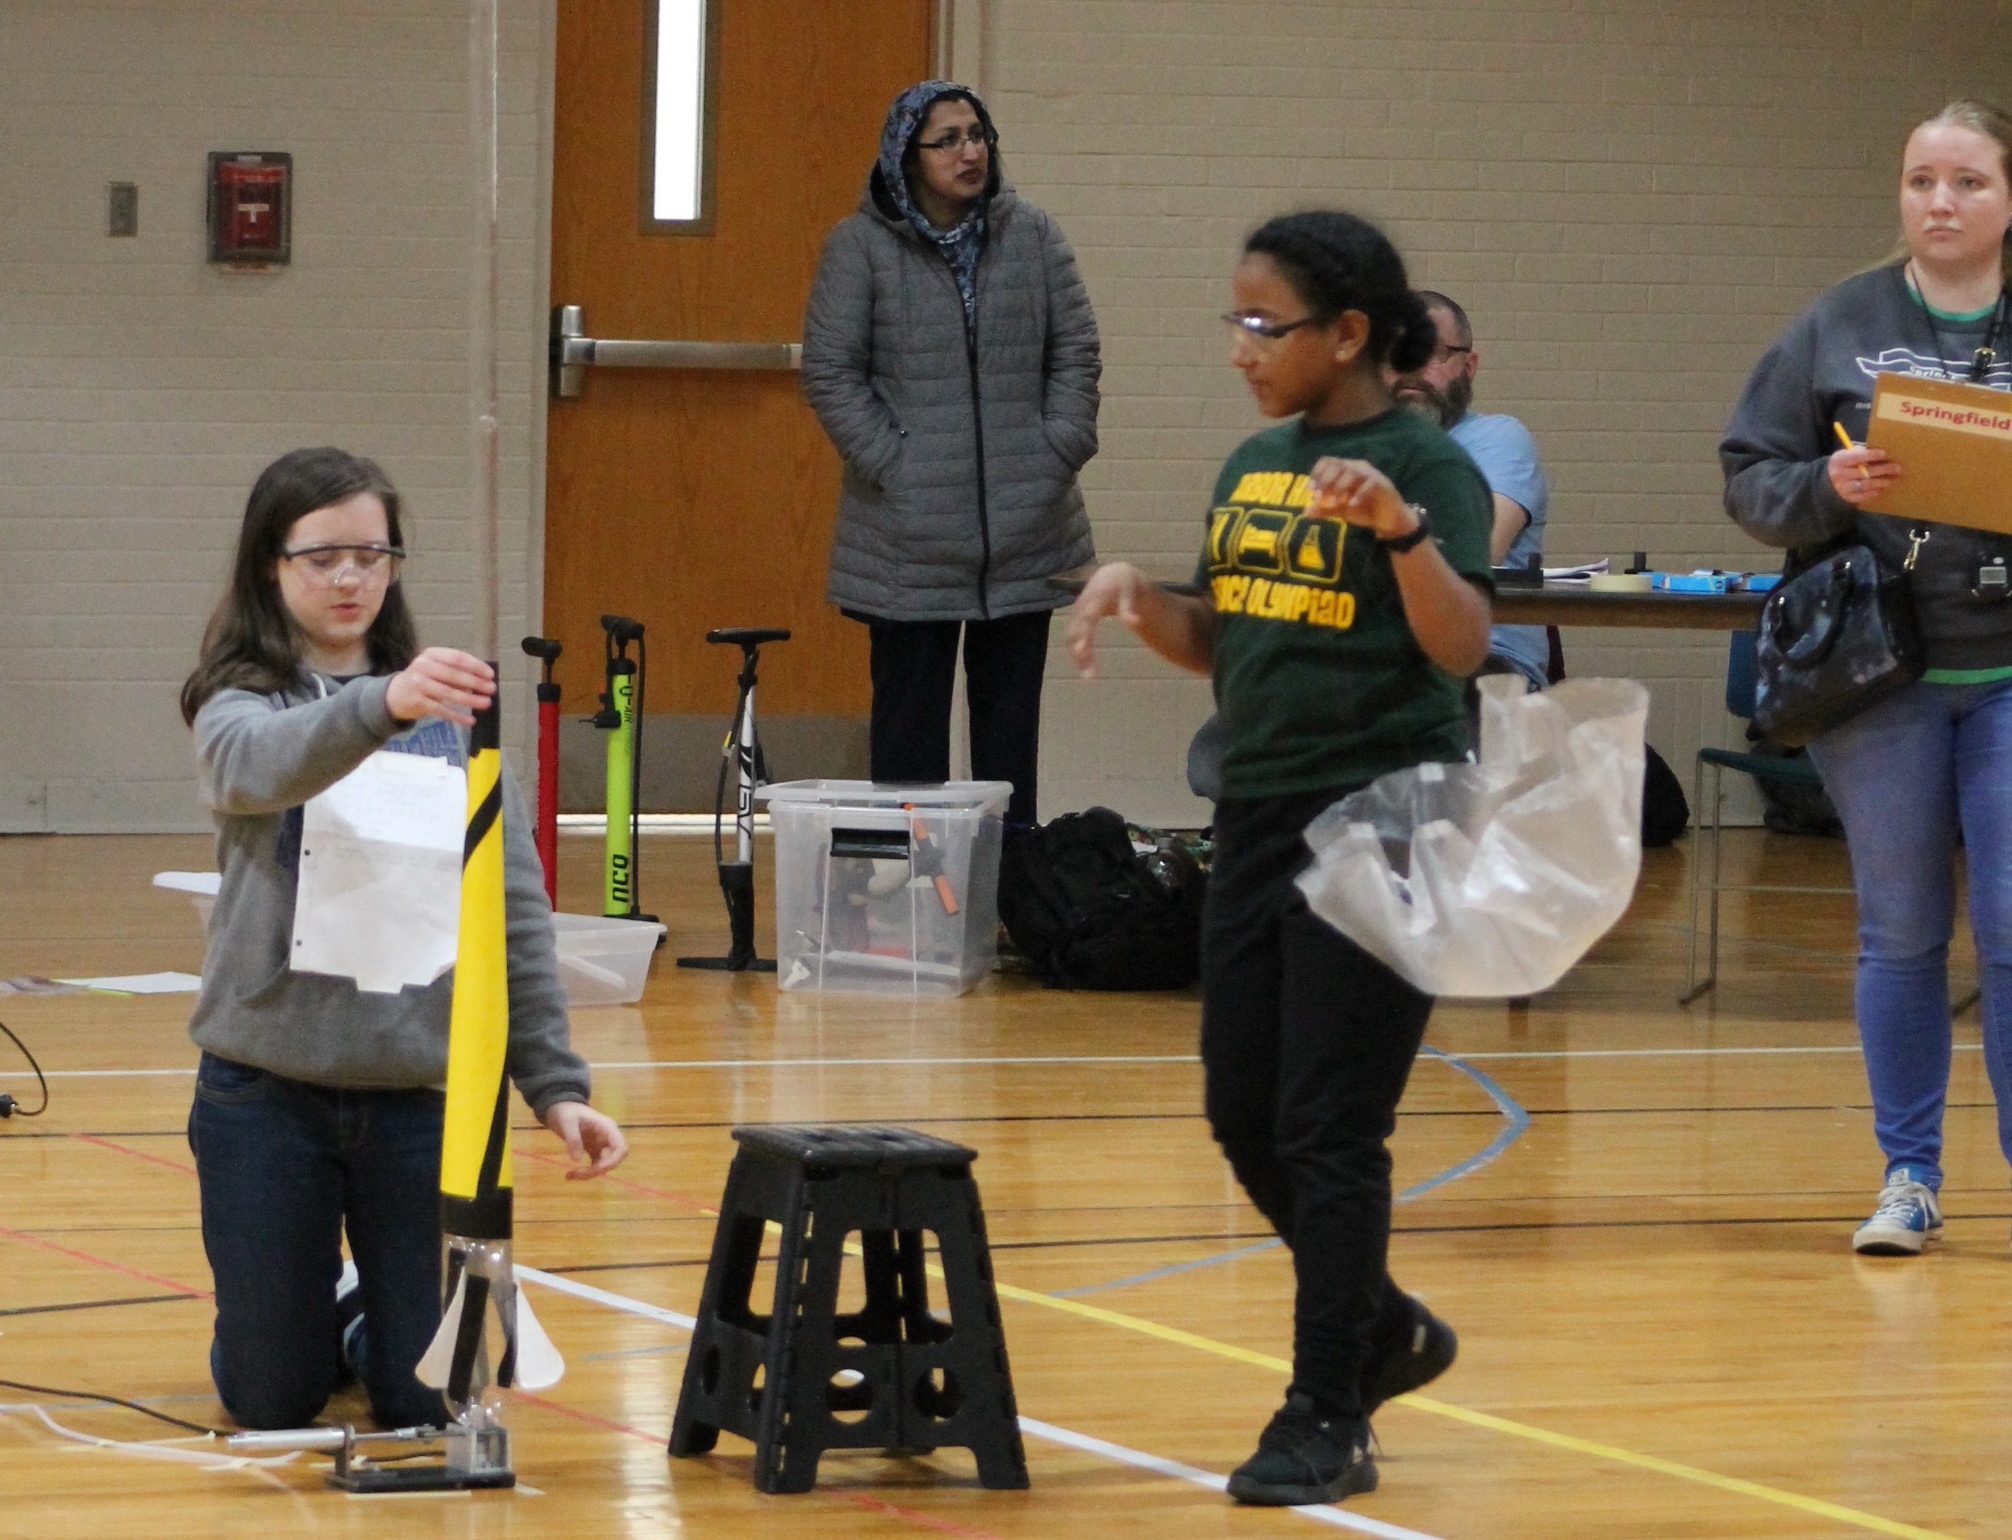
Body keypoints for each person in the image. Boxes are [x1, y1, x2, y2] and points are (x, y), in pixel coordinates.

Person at [1067, 211, 1489, 1505]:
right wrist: (1142, 598)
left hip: (1387, 814)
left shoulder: (1427, 465)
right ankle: (1381, 1326)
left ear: (1347, 333)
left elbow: (1461, 647)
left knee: (1328, 1124)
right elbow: (1220, 640)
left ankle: (1326, 1409)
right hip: (1256, 812)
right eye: (1236, 321)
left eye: (1266, 324)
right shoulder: (1254, 464)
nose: (1241, 348)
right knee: (1242, 1110)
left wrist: (1402, 534)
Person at [179, 446, 629, 1430]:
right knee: (271, 1400)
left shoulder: (454, 721)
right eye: (321, 557)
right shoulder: (240, 701)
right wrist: (382, 704)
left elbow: (512, 913)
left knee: (429, 1402)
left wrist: (556, 1086)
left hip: (422, 1100)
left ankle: (360, 1317)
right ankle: (308, 1312)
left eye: (372, 555)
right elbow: (252, 768)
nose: (350, 577)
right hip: (266, 1097)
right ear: (270, 565)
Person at [1721, 98, 2012, 1257]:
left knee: (2010, 926)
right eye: (1918, 180)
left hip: (2007, 673)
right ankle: (1908, 1175)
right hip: (1880, 676)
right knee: (1898, 930)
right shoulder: (1837, 319)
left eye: (1966, 181)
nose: (1938, 201)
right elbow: (1749, 474)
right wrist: (1822, 491)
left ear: (2006, 197)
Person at [802, 80, 1100, 827]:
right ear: (907, 157)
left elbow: (1076, 351)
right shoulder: (859, 248)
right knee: (908, 745)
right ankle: (914, 888)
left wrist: (1057, 446)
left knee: (1009, 745)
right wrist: (897, 467)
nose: (970, 153)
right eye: (948, 141)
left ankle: (1009, 884)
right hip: (906, 540)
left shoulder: (1033, 235)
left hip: (1027, 528)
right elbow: (832, 374)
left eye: (978, 135)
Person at [1392, 289, 1553, 691]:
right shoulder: (1354, 447)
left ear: (1469, 366)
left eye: (1431, 352)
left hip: (1485, 664)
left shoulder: (1497, 439)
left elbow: (1475, 554)